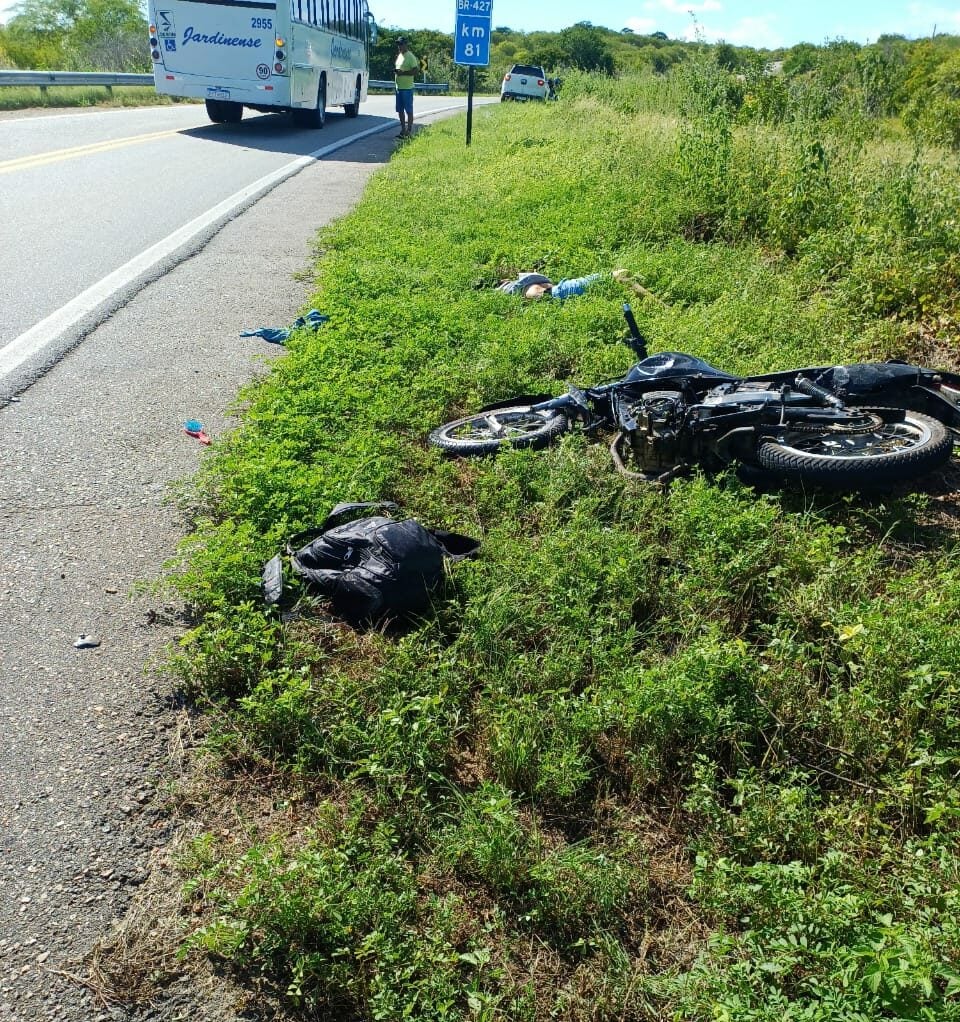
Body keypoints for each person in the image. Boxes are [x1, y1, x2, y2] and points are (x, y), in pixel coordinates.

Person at [496, 268, 661, 302]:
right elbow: (535, 293)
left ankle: (652, 303)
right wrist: (547, 294)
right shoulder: (524, 287)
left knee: (623, 277)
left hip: (562, 289)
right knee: (621, 276)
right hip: (562, 291)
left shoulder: (527, 282)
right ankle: (660, 307)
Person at [393, 37, 419, 138]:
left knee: (408, 110)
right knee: (400, 110)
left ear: (405, 45)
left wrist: (403, 73)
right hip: (398, 87)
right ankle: (403, 130)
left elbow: (416, 71)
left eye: (401, 44)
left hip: (407, 88)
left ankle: (409, 130)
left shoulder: (410, 56)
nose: (399, 46)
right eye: (398, 44)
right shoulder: (399, 56)